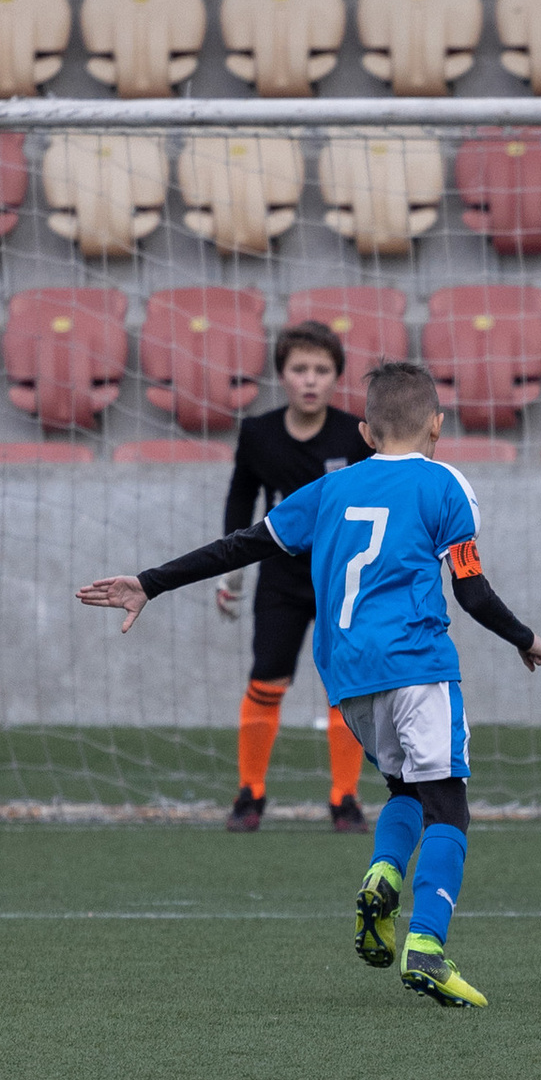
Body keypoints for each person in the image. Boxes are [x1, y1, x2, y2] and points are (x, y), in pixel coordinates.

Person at [77, 358, 541, 1011]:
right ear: (437, 425)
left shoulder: (328, 492)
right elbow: (469, 589)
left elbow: (242, 544)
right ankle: (428, 946)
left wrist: (150, 582)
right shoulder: (445, 488)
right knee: (450, 804)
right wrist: (526, 639)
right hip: (417, 664)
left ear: (363, 430)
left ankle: (383, 874)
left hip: (349, 679)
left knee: (405, 789)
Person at [213, 318, 367, 836]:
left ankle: (344, 798)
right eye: (300, 368)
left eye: (321, 369)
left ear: (335, 377)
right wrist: (231, 573)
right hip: (280, 578)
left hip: (341, 579)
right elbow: (241, 497)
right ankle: (250, 792)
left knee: (344, 687)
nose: (310, 379)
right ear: (282, 374)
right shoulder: (257, 433)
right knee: (267, 677)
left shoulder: (357, 434)